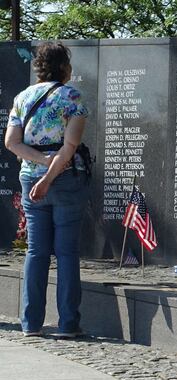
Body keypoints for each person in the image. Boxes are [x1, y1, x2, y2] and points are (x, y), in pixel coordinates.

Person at [4, 42, 89, 338]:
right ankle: (67, 323)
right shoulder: (73, 97)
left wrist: (39, 166)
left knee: (36, 251)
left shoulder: (23, 97)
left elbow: (12, 143)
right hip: (65, 180)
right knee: (66, 252)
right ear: (64, 66)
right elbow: (70, 146)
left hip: (29, 177)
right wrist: (49, 174)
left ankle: (31, 324)